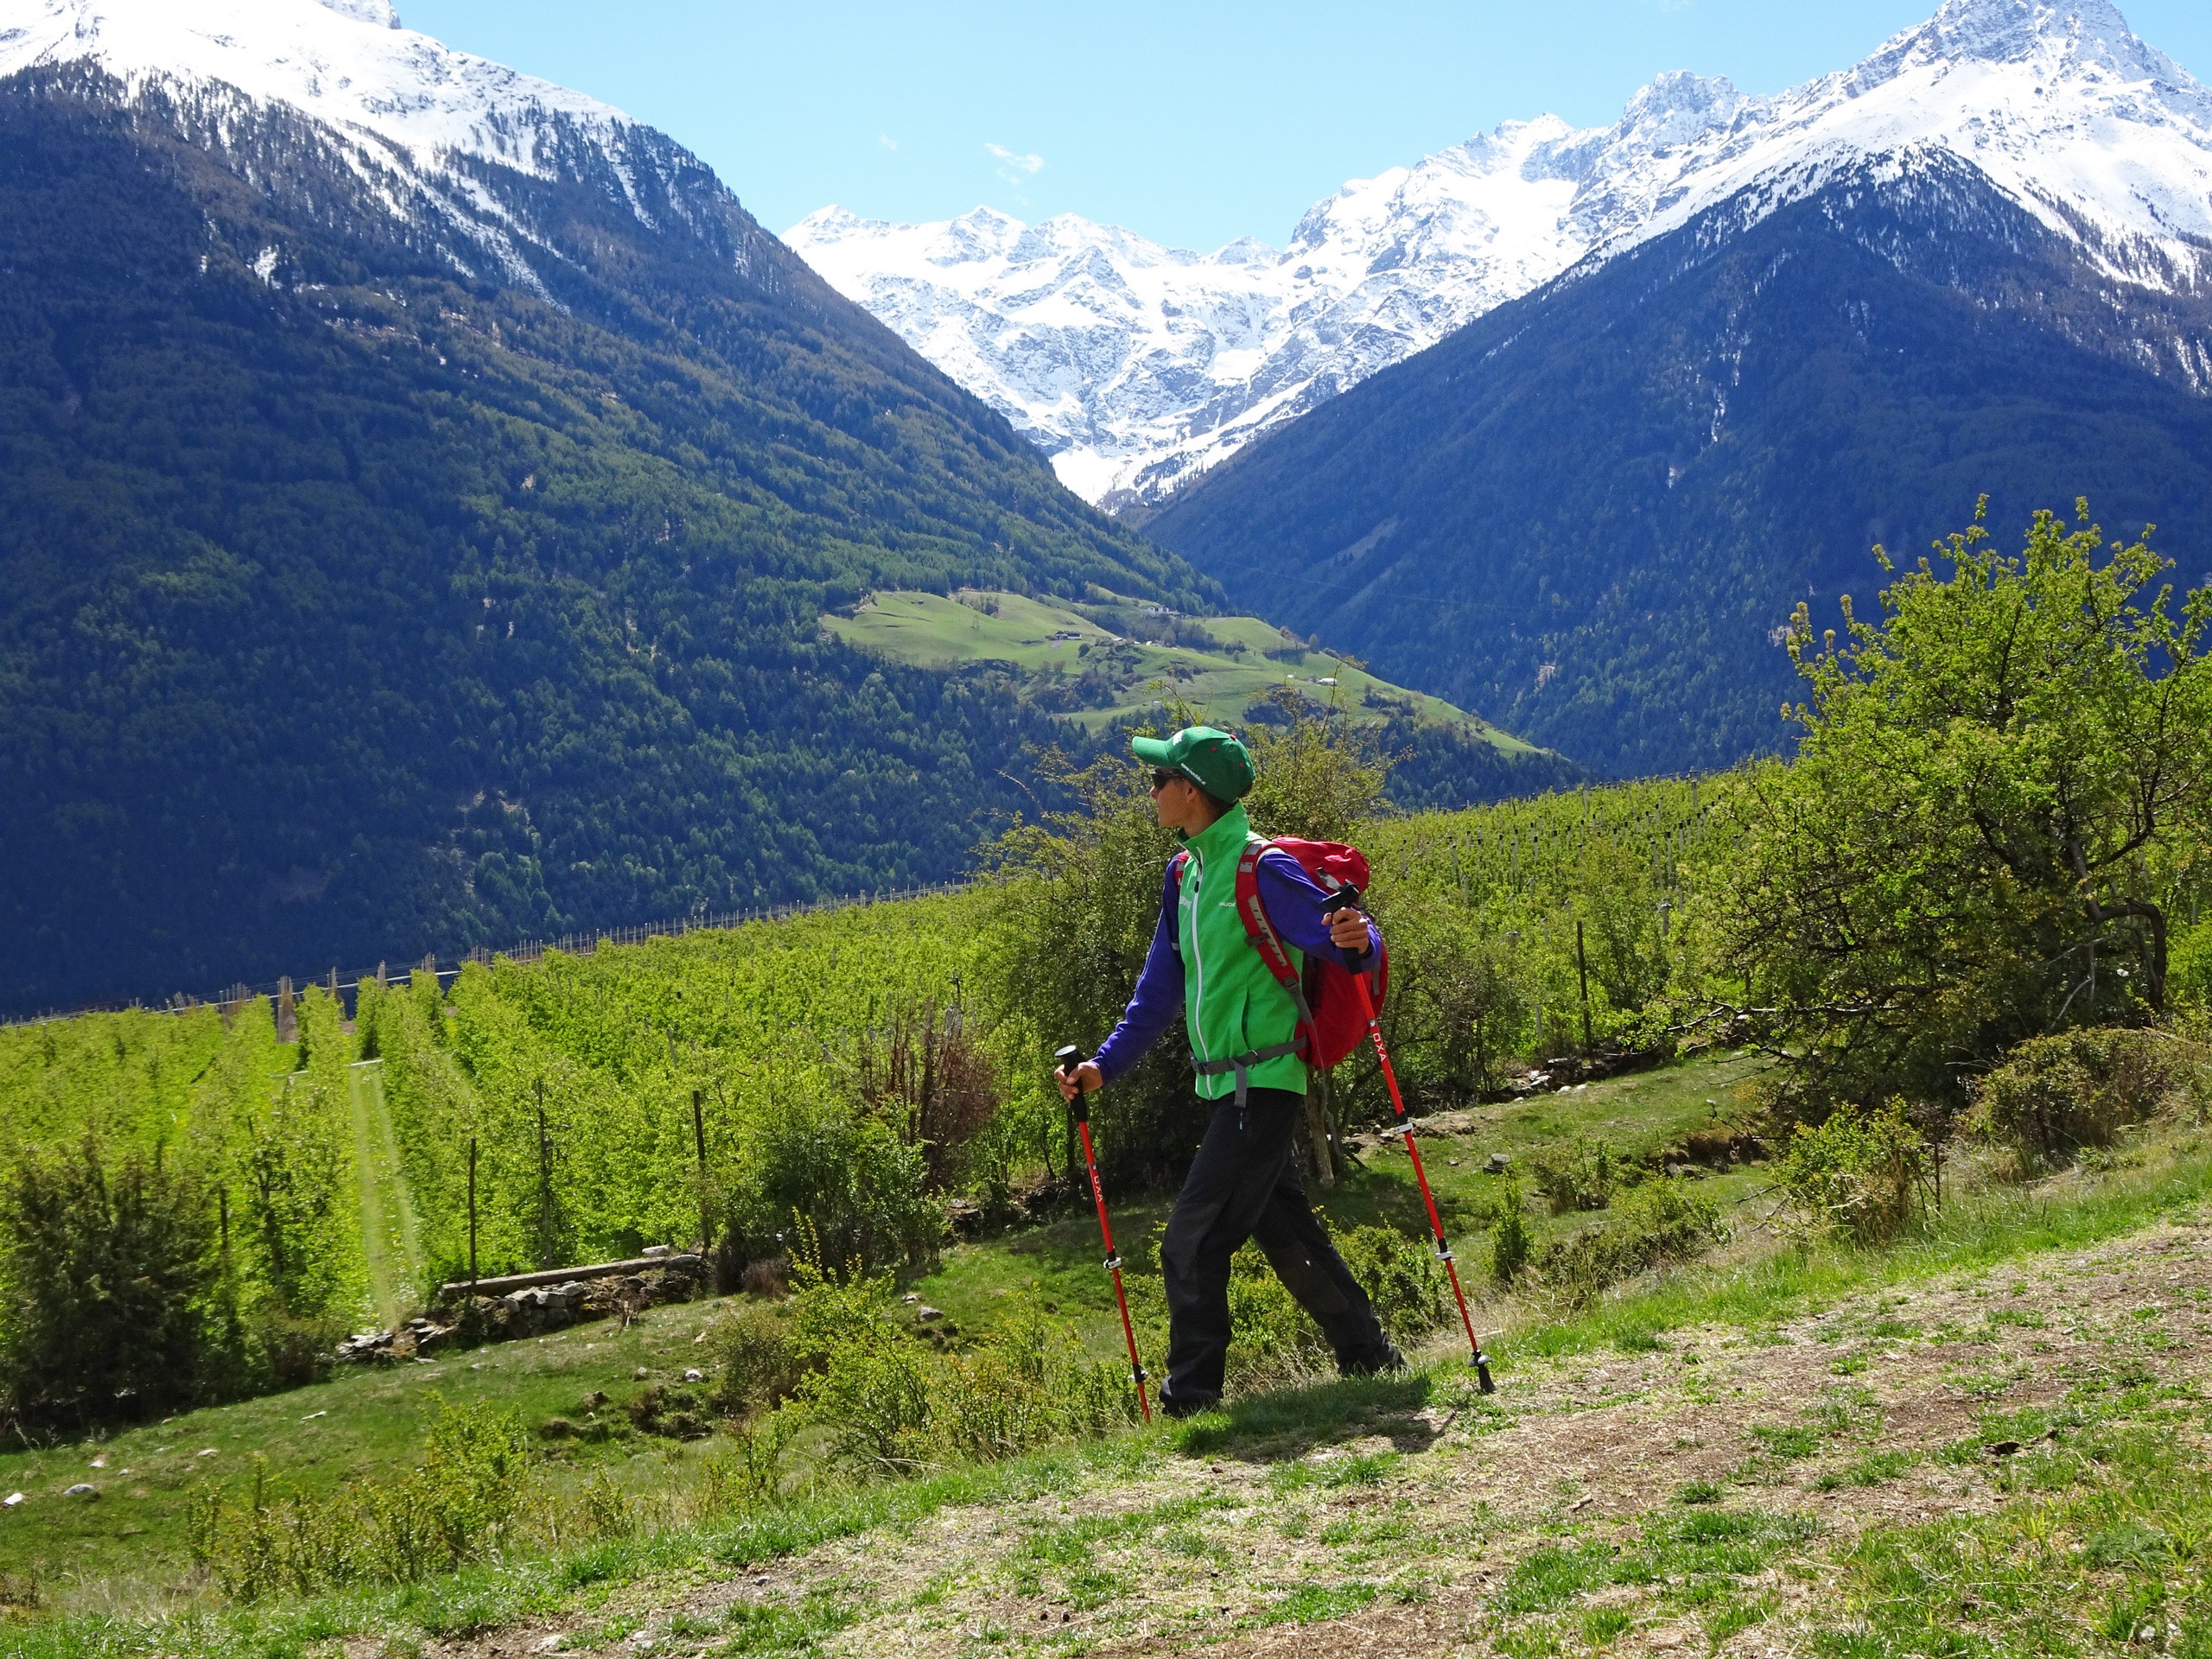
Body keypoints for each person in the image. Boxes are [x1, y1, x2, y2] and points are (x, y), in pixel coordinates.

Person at [1055, 724, 1401, 1417]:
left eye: (1159, 780)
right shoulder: (1185, 874)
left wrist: (1361, 940)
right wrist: (1104, 1065)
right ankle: (1371, 1357)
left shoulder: (1259, 869)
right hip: (1224, 1089)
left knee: (1191, 1237)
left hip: (1263, 1086)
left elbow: (1348, 947)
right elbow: (1160, 989)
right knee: (1291, 1237)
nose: (1149, 790)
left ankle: (1192, 1403)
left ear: (1191, 791)